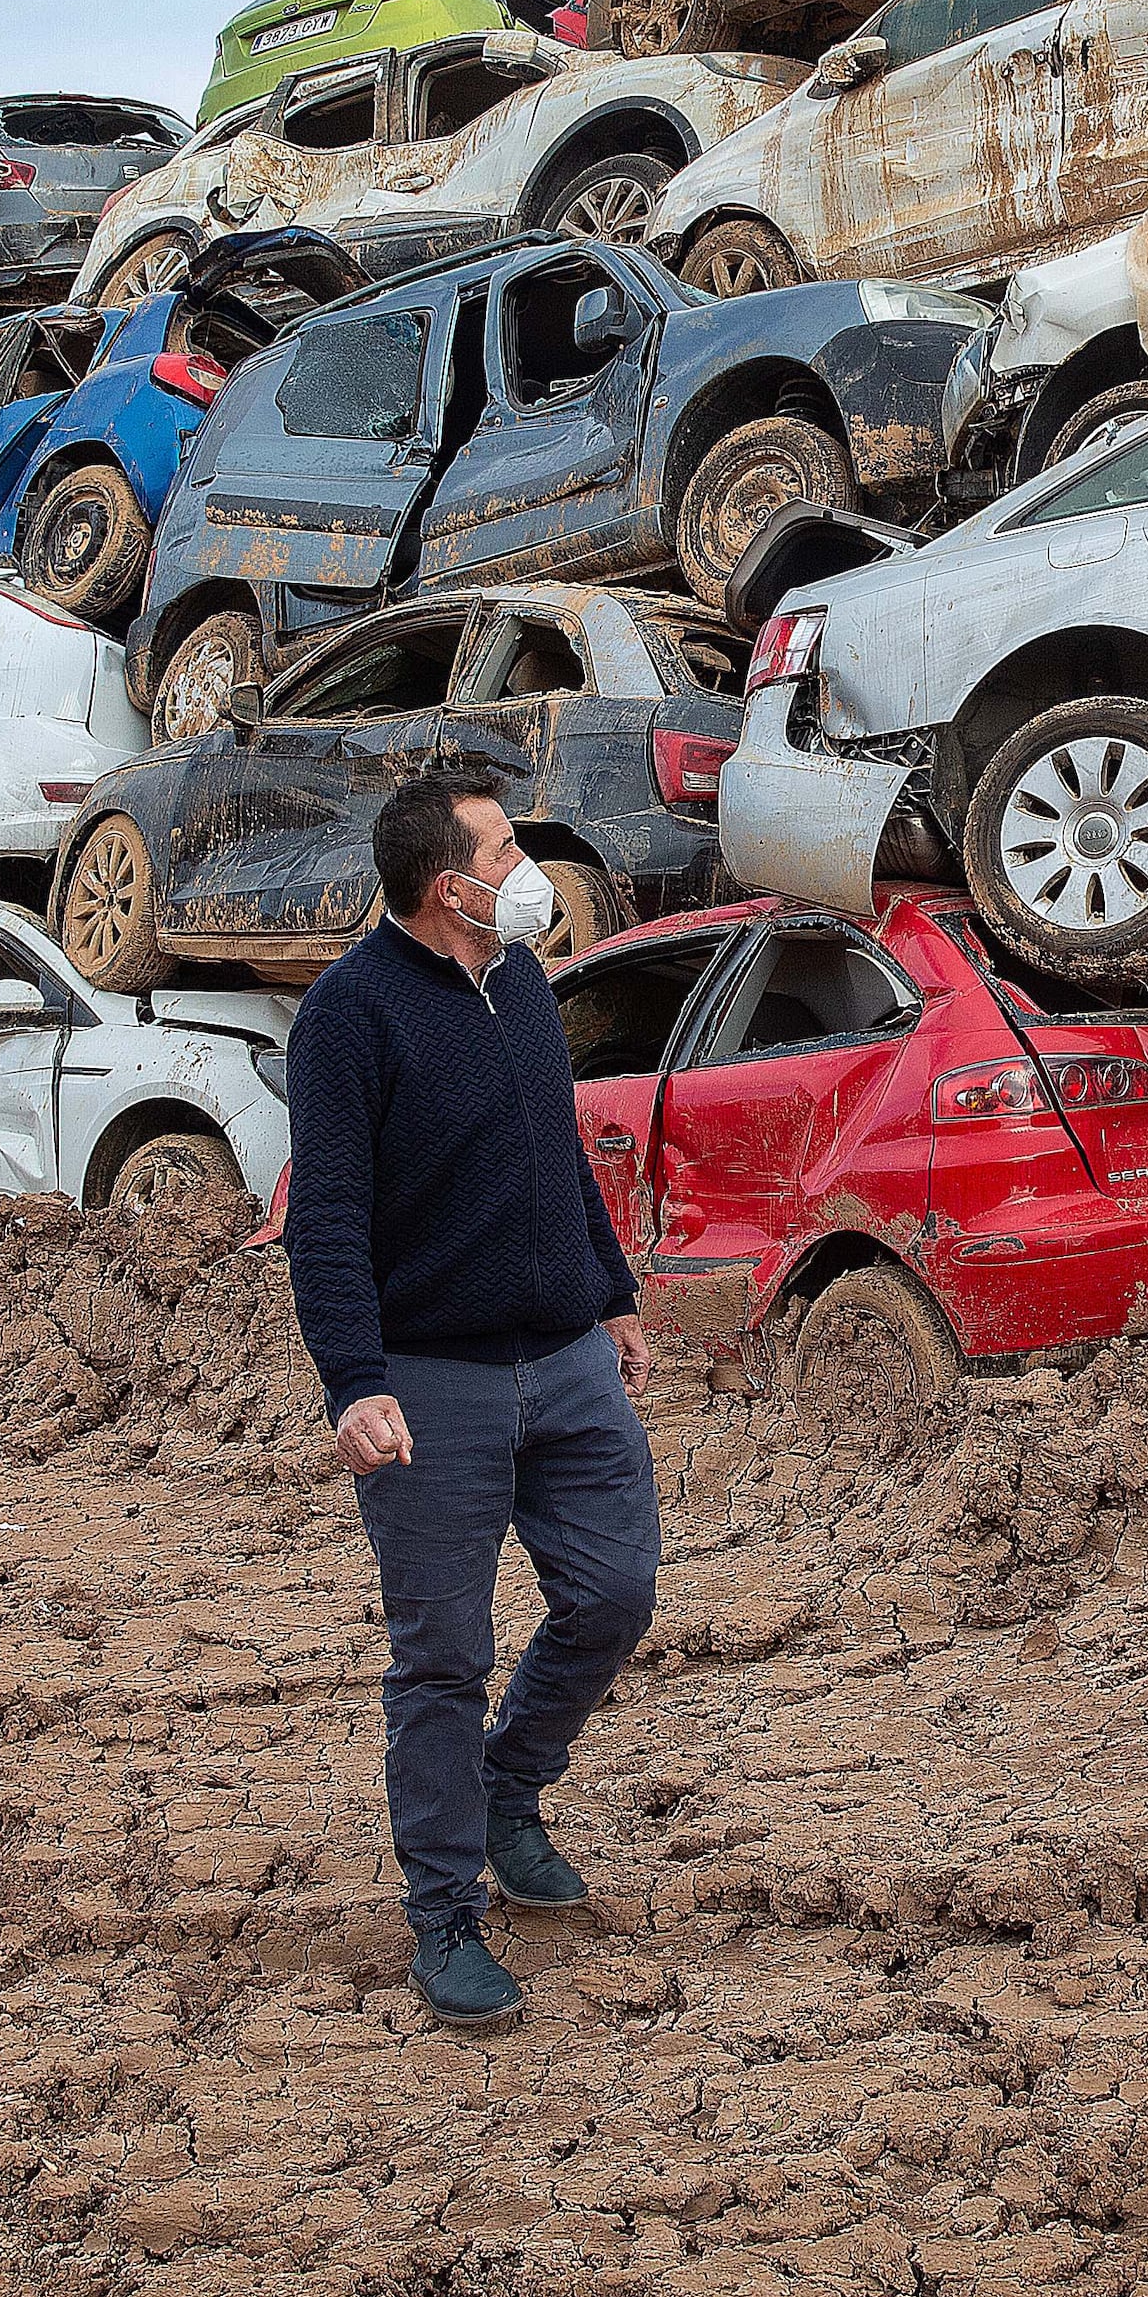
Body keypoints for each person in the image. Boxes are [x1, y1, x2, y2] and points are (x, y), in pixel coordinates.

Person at [280, 766, 656, 2029]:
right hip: (431, 1386)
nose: (527, 866)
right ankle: (444, 1916)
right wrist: (354, 1385)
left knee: (613, 1592)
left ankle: (511, 1785)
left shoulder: (523, 986)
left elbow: (558, 1158)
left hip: (564, 1363)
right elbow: (324, 1221)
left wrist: (610, 1297)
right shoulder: (348, 1017)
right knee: (439, 1659)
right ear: (450, 885)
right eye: (504, 848)